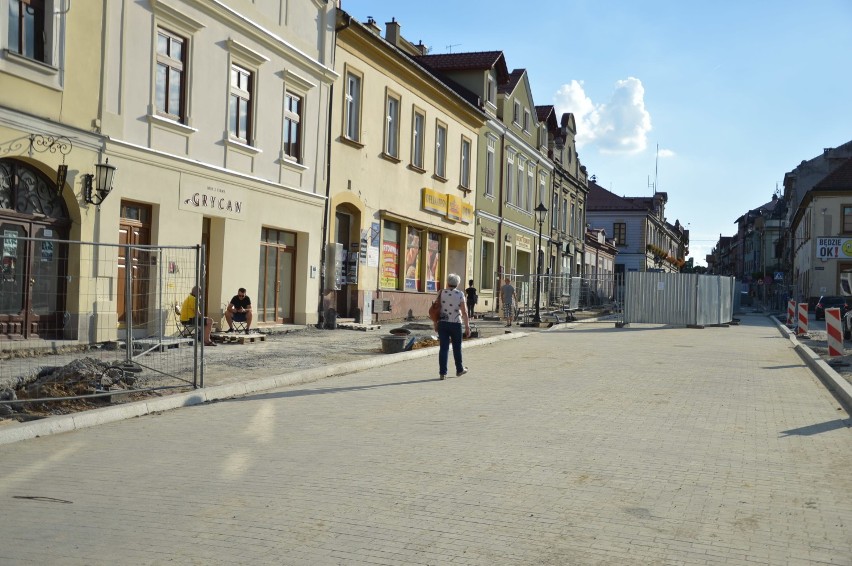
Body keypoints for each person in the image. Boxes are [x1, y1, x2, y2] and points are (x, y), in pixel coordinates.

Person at [435, 273, 470, 380]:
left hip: (442, 323)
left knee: (443, 348)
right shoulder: (460, 294)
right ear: (457, 283)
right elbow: (464, 312)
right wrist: (467, 326)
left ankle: (442, 373)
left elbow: (436, 309)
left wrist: (435, 324)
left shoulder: (440, 292)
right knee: (457, 347)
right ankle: (459, 369)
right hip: (456, 324)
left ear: (447, 282)